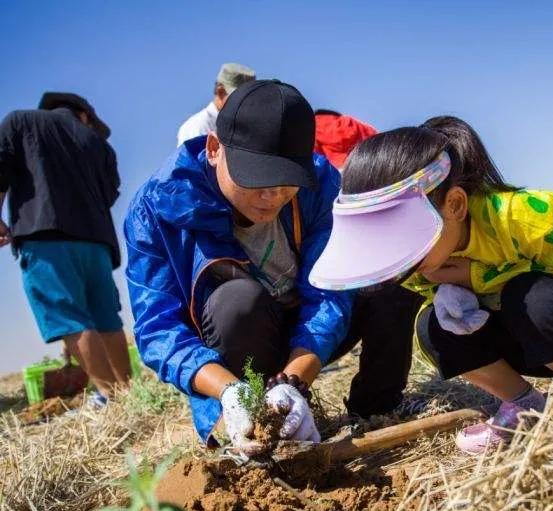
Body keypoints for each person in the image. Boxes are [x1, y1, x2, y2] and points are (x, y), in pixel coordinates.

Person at [310, 116, 553, 453]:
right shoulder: (417, 264)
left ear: (454, 204)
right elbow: (438, 301)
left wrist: (477, 277)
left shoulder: (527, 215)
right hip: (524, 349)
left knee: (530, 297)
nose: (402, 259)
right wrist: (448, 295)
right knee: (434, 326)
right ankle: (523, 406)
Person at [126, 80, 422, 452]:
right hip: (238, 341)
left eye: (286, 183)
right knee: (236, 301)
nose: (271, 197)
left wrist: (293, 381)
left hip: (304, 324)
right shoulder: (157, 209)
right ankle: (250, 423)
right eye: (255, 179)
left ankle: (376, 408)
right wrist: (230, 392)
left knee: (386, 276)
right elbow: (158, 330)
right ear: (215, 149)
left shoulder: (318, 184)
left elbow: (329, 290)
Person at [0, 92, 131, 401]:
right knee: (105, 318)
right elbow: (110, 194)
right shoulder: (99, 145)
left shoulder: (20, 121)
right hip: (96, 244)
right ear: (83, 115)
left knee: (70, 319)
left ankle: (109, 397)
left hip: (46, 238)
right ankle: (127, 395)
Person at [176, 63, 256, 146]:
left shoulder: (239, 127)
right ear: (221, 92)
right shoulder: (198, 126)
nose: (245, 104)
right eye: (239, 98)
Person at [313, 109, 377, 170]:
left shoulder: (314, 124)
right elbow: (377, 143)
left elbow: (313, 153)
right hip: (363, 167)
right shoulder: (355, 123)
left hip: (334, 171)